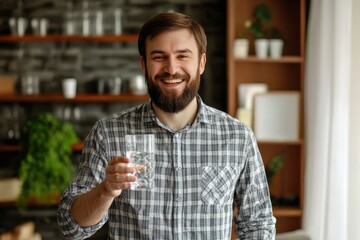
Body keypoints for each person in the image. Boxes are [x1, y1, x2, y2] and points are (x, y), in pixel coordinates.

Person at [57, 12, 276, 239]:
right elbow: (71, 227)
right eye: (159, 57)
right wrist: (106, 191)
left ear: (201, 63)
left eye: (183, 56)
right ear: (144, 65)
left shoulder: (237, 137)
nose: (171, 69)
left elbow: (258, 224)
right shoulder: (108, 133)